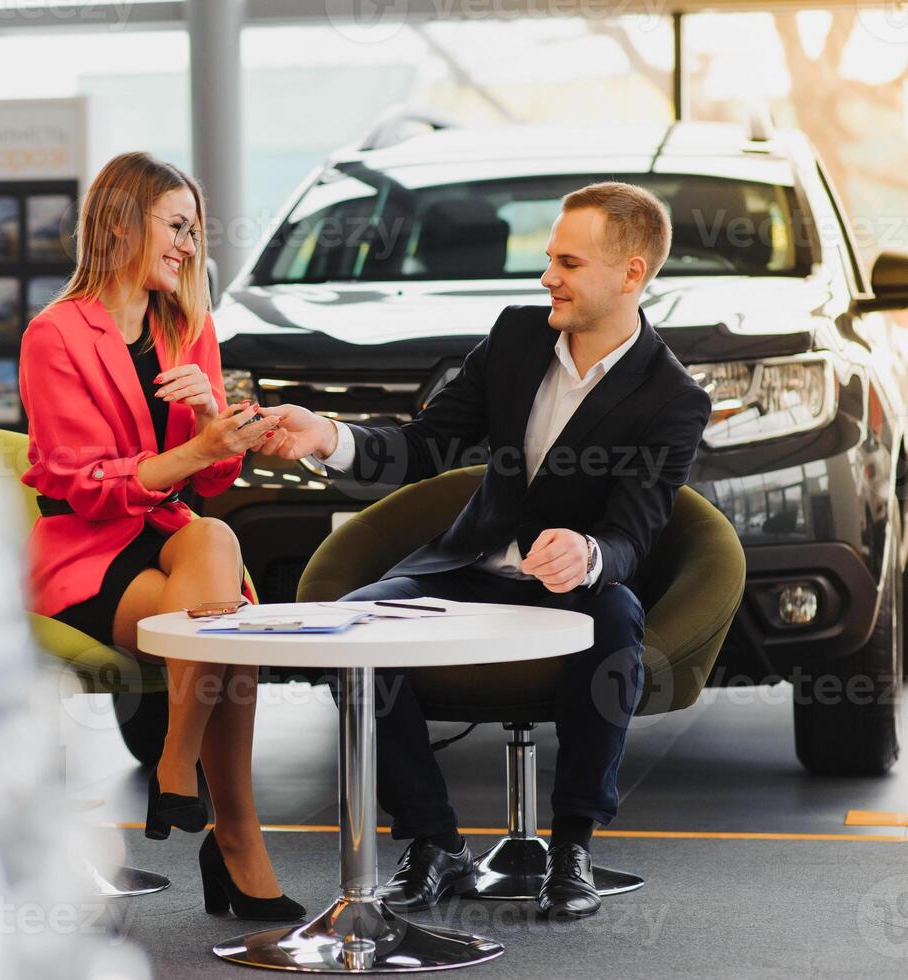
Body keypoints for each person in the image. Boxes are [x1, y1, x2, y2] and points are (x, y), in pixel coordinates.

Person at [259, 182, 711, 919]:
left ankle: (572, 846)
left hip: (570, 586)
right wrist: (326, 435)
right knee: (353, 627)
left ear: (631, 273)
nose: (545, 278)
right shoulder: (514, 337)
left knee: (617, 619)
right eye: (548, 258)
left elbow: (635, 529)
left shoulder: (671, 398)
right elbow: (423, 445)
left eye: (567, 262)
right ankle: (435, 842)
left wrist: (589, 554)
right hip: (467, 568)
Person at [19, 151, 303, 921]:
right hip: (87, 547)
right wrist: (196, 450)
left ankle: (176, 765)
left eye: (195, 231)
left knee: (213, 540)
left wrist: (215, 421)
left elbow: (209, 486)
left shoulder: (189, 323)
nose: (188, 246)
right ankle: (236, 842)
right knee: (227, 634)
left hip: (170, 532)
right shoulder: (54, 335)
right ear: (119, 222)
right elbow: (80, 481)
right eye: (176, 226)